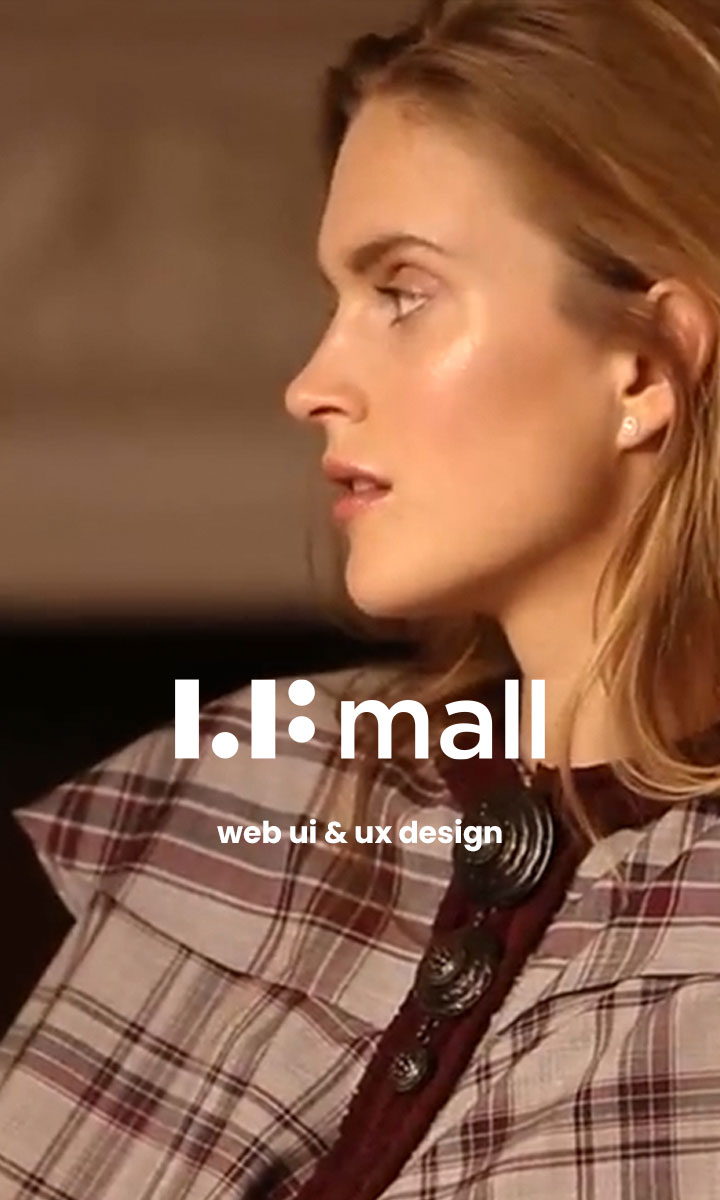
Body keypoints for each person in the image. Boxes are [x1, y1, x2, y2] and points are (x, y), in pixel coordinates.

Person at [2, 0, 720, 1195]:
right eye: (337, 299)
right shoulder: (259, 778)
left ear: (646, 367)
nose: (311, 384)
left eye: (403, 291)